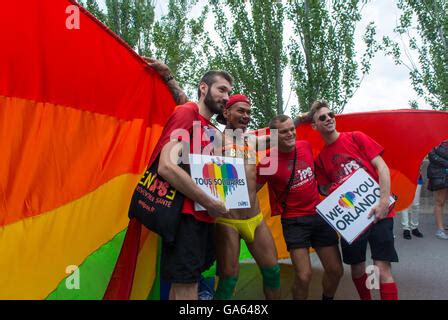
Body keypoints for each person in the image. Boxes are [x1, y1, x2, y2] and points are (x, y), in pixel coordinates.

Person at [147, 61, 233, 299]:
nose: (227, 97)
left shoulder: (211, 129)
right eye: (222, 89)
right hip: (186, 218)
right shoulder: (187, 112)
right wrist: (210, 202)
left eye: (229, 92)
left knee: (184, 288)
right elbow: (166, 166)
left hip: (203, 218)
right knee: (186, 289)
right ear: (203, 88)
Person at [309, 100, 399, 300]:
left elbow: (382, 167)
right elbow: (325, 189)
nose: (329, 119)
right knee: (358, 269)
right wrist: (334, 188)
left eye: (331, 115)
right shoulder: (321, 159)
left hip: (379, 211)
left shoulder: (356, 137)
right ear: (315, 126)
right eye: (322, 118)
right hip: (353, 221)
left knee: (380, 267)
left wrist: (384, 202)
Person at [257, 115, 343, 300]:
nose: (290, 134)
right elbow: (251, 190)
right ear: (273, 135)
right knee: (304, 276)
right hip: (294, 221)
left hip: (320, 216)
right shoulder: (267, 163)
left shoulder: (304, 146)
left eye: (291, 129)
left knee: (336, 270)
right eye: (284, 131)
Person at [213, 94, 281, 300]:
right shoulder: (212, 139)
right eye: (241, 111)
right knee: (228, 280)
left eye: (249, 112)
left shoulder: (252, 140)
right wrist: (170, 80)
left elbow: (282, 133)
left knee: (273, 273)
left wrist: (304, 119)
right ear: (226, 113)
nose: (246, 116)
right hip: (227, 221)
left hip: (255, 219)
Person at [427, 140, 448, 240]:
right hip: (439, 174)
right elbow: (432, 156)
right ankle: (440, 229)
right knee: (440, 201)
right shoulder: (435, 138)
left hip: (442, 172)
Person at [401, 174, 424, 239]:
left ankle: (414, 227)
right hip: (403, 177)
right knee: (405, 204)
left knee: (415, 205)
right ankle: (406, 229)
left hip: (416, 177)